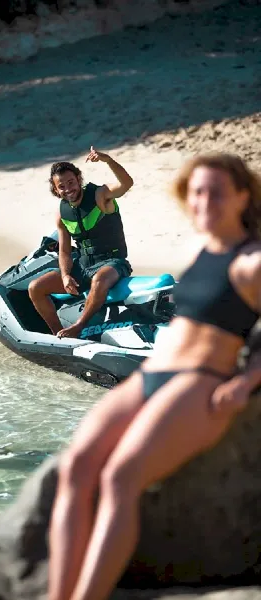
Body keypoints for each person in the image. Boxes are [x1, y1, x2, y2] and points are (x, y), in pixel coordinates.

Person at [48, 153, 261, 600]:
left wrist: (245, 382)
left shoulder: (252, 260)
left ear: (243, 196)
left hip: (197, 382)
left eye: (217, 192)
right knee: (76, 467)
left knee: (119, 479)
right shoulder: (199, 249)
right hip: (151, 373)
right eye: (197, 191)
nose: (204, 200)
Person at [28, 146, 134, 339]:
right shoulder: (62, 214)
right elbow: (65, 251)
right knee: (35, 288)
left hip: (113, 262)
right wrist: (66, 275)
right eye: (62, 186)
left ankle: (78, 327)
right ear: (55, 189)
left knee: (99, 279)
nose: (68, 189)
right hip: (84, 265)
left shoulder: (100, 195)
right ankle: (59, 335)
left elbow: (126, 183)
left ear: (78, 179)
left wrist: (108, 160)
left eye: (71, 182)